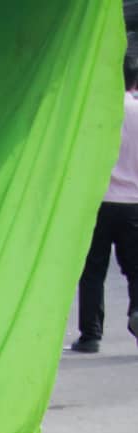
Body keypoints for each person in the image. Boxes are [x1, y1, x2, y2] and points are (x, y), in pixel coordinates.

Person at [72, 57, 138, 353]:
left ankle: (90, 335)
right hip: (134, 203)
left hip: (98, 203)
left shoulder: (95, 112)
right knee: (136, 269)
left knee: (93, 270)